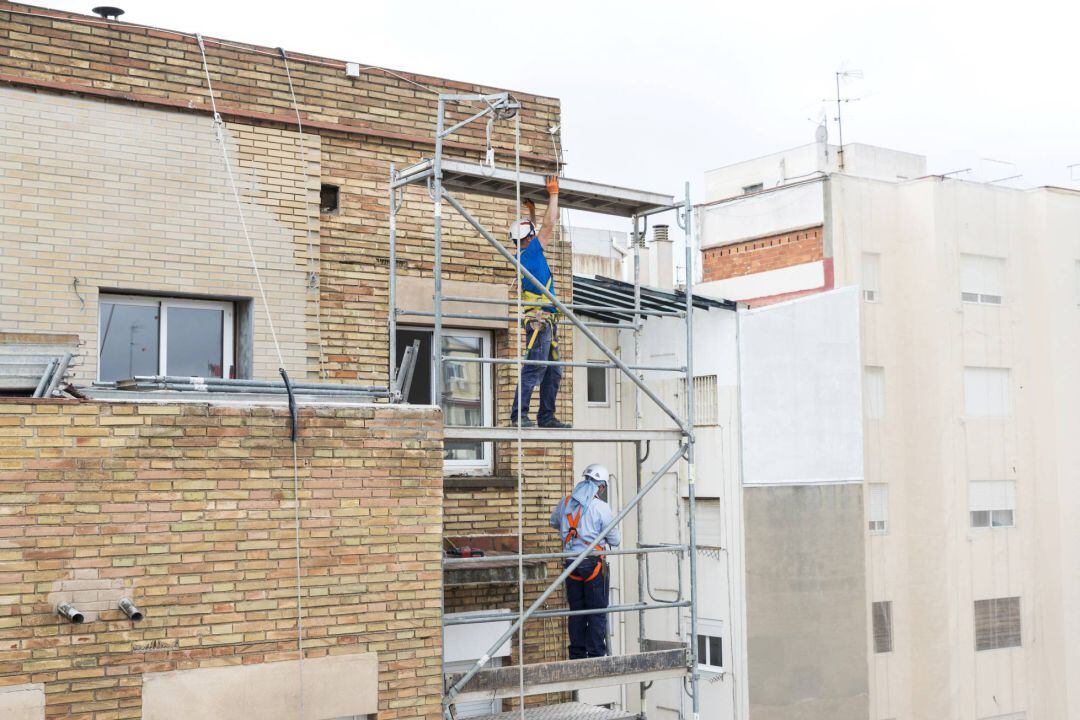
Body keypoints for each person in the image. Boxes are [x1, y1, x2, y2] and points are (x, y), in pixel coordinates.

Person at [508, 175, 570, 429]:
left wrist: (530, 211)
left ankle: (546, 416)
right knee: (534, 369)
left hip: (546, 321)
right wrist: (553, 194)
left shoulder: (524, 252)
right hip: (539, 321)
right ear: (529, 238)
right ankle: (518, 416)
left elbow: (535, 229)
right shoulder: (532, 252)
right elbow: (550, 223)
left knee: (553, 372)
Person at [550, 464, 620, 659]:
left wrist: (572, 531)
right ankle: (596, 654)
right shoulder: (601, 507)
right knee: (596, 612)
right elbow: (615, 540)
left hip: (571, 564)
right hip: (592, 564)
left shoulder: (565, 503)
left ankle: (577, 654)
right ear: (601, 487)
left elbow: (554, 522)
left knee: (577, 612)